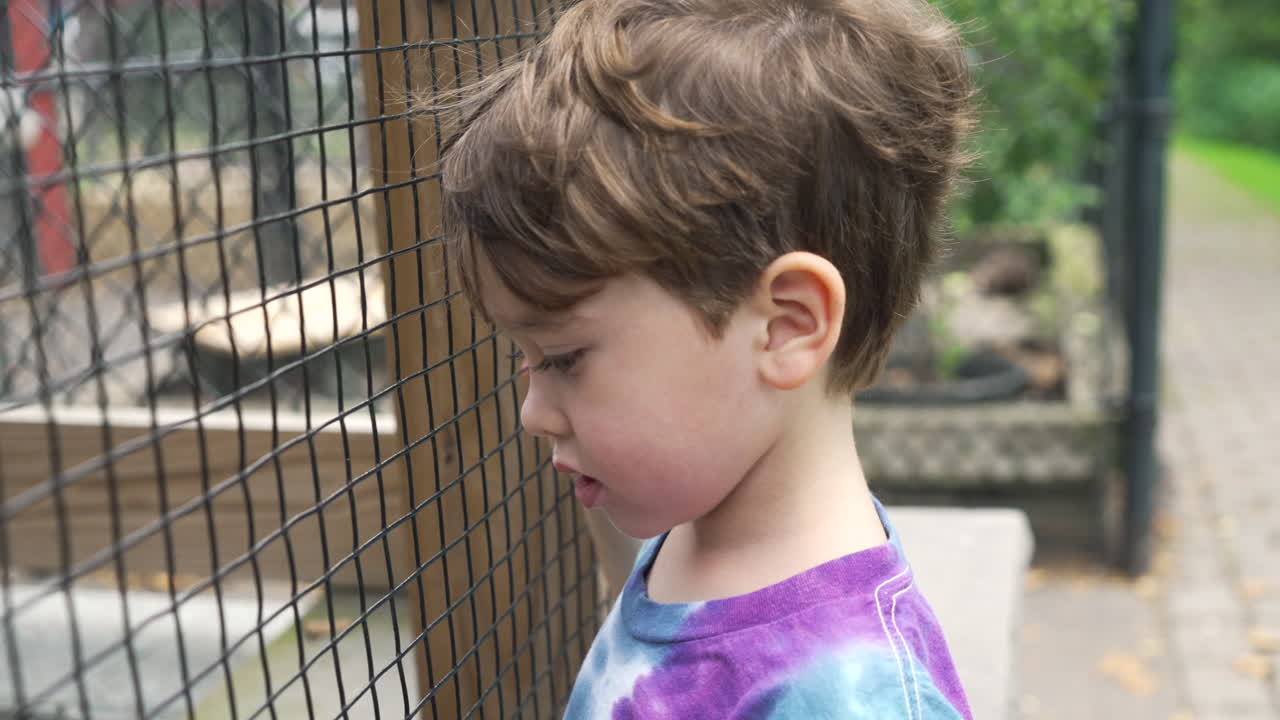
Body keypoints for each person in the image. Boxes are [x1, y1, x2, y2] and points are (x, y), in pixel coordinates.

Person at [438, 0, 975, 715]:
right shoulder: (698, 523)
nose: (533, 413)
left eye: (564, 358)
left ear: (785, 327)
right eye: (526, 359)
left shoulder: (851, 694)